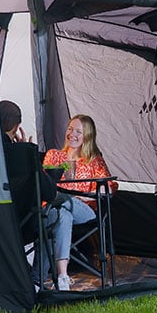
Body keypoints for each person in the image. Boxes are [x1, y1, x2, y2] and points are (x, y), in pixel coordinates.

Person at [42, 114, 118, 291]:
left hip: (84, 209)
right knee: (63, 215)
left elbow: (110, 186)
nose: (72, 134)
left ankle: (40, 277)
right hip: (56, 209)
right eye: (70, 129)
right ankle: (62, 276)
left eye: (78, 131)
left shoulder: (93, 160)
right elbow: (44, 183)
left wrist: (85, 195)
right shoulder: (54, 156)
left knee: (64, 201)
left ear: (87, 136)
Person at [0, 100, 60, 292]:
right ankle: (36, 279)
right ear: (17, 127)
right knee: (55, 216)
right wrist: (26, 151)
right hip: (23, 225)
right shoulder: (25, 153)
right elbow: (49, 193)